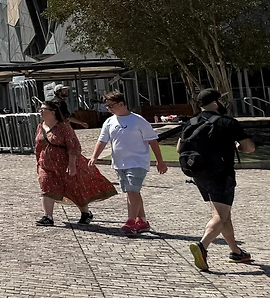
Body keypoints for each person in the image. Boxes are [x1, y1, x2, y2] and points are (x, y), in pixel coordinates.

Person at [183, 89, 257, 270]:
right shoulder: (227, 122)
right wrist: (238, 146)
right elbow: (249, 148)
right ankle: (202, 246)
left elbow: (179, 148)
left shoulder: (190, 122)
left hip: (199, 174)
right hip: (221, 174)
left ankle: (236, 252)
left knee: (224, 214)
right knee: (220, 216)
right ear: (215, 103)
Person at [88, 91, 167, 235]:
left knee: (132, 191)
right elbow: (102, 140)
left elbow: (153, 141)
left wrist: (160, 161)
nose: (109, 109)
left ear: (121, 104)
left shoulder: (138, 120)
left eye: (111, 106)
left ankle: (131, 221)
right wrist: (94, 157)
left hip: (137, 162)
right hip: (119, 164)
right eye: (107, 106)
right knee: (133, 192)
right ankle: (142, 221)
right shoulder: (109, 122)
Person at [33, 100, 117, 227]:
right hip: (47, 166)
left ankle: (85, 213)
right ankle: (48, 217)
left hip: (65, 164)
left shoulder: (63, 127)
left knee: (75, 189)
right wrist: (38, 163)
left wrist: (72, 165)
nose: (40, 111)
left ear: (52, 112)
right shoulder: (40, 127)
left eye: (43, 109)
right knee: (46, 186)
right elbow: (38, 147)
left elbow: (74, 146)